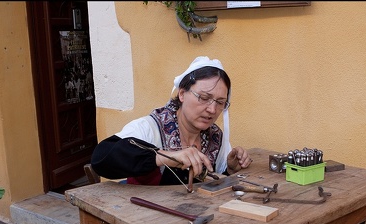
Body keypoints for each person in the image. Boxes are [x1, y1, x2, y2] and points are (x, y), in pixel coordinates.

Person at [91, 56, 252, 188]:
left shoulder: (215, 137)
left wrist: (230, 169)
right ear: (182, 94)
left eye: (220, 102)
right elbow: (101, 158)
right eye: (204, 98)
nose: (212, 109)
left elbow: (215, 183)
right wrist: (166, 157)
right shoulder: (151, 128)